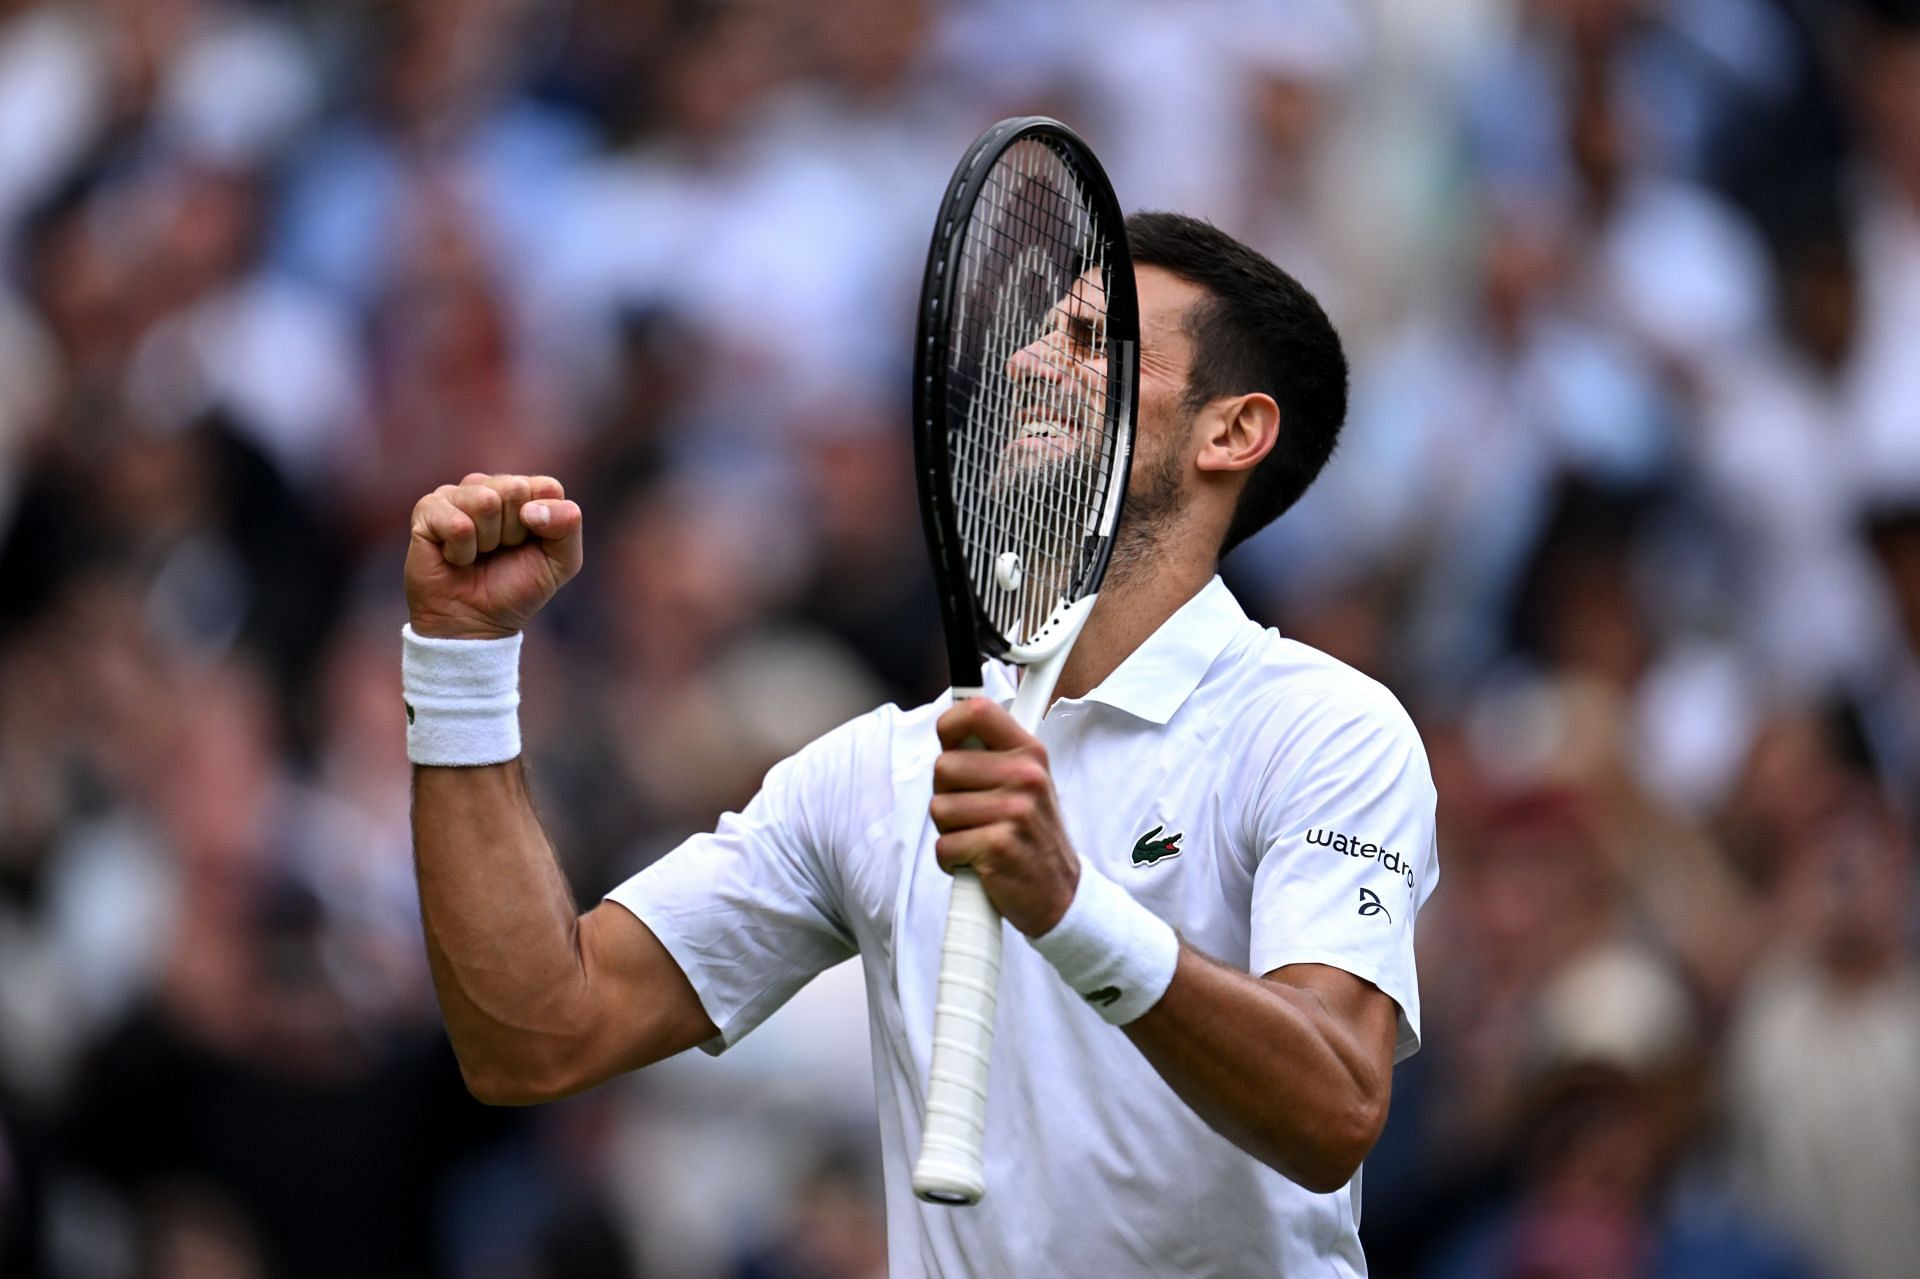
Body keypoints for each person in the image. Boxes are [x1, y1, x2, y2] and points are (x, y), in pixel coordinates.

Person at [401, 212, 1438, 1276]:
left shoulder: (1328, 729)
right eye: (1035, 333)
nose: (1029, 360)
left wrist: (1070, 909)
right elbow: (533, 1032)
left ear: (1232, 432)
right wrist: (462, 661)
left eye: (1092, 342)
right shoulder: (879, 772)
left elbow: (1336, 1105)